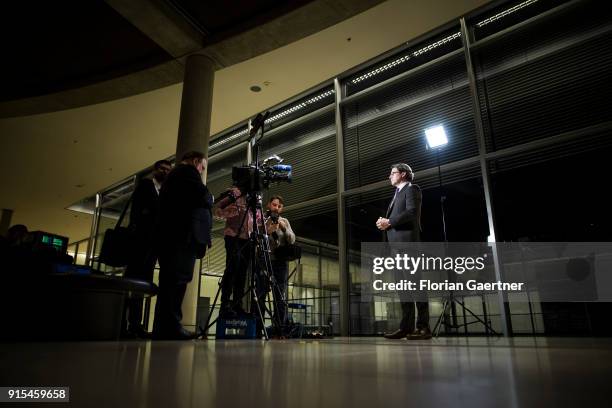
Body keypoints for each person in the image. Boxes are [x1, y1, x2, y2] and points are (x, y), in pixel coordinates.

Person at [153, 151, 213, 340]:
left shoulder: (175, 176)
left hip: (172, 237)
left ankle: (164, 327)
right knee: (176, 282)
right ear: (196, 162)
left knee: (170, 282)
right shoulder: (187, 173)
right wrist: (210, 198)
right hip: (181, 238)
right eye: (202, 167)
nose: (202, 171)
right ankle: (171, 326)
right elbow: (204, 197)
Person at [376, 163, 431, 340]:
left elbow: (412, 212)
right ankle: (406, 327)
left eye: (392, 173)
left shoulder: (412, 188)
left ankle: (423, 327)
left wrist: (389, 222)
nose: (389, 176)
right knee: (403, 288)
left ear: (403, 174)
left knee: (416, 285)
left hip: (408, 246)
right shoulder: (397, 193)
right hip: (396, 248)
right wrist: (384, 222)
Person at [122, 159, 171, 338]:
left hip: (153, 244)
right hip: (140, 243)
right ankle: (125, 323)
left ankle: (135, 324)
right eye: (163, 169)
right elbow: (138, 212)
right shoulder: (145, 185)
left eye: (168, 170)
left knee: (144, 283)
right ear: (155, 170)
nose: (166, 172)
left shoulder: (164, 191)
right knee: (133, 280)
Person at [254, 195, 296, 336]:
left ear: (281, 208)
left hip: (280, 262)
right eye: (274, 204)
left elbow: (292, 239)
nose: (276, 207)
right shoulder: (262, 219)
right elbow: (256, 236)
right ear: (268, 205)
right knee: (260, 294)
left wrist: (284, 228)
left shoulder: (285, 221)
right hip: (264, 260)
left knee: (280, 295)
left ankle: (280, 328)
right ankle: (258, 328)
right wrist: (268, 230)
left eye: (279, 206)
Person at [213, 186, 252, 318]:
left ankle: (237, 305)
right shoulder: (234, 193)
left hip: (247, 239)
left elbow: (255, 218)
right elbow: (218, 210)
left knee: (242, 273)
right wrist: (233, 211)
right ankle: (225, 305)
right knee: (232, 268)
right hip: (233, 236)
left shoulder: (254, 197)